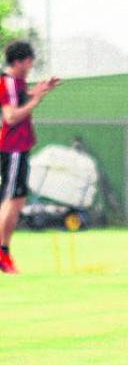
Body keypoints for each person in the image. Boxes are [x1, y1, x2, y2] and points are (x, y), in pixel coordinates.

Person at [0, 41, 60, 274]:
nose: (31, 65)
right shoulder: (7, 83)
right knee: (9, 199)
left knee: (18, 200)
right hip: (13, 148)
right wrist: (36, 100)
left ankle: (5, 251)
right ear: (18, 62)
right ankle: (2, 250)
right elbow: (11, 117)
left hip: (21, 147)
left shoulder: (17, 83)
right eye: (28, 61)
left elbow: (22, 97)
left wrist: (41, 89)